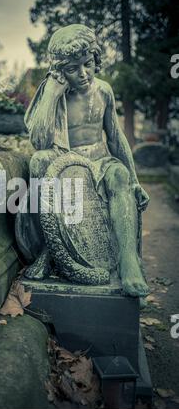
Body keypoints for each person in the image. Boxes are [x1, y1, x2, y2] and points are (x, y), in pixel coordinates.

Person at [24, 24, 149, 297]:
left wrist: (135, 180)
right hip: (65, 160)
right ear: (59, 71)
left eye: (88, 64)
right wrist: (52, 94)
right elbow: (40, 141)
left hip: (99, 160)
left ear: (95, 60)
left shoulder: (103, 91)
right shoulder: (55, 95)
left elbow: (115, 138)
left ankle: (128, 262)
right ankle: (50, 248)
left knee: (119, 176)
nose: (83, 73)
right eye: (72, 69)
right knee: (38, 161)